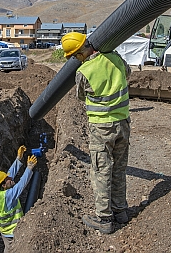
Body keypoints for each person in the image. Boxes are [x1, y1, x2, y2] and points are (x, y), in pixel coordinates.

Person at [60, 32, 131, 234]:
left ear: (79, 54)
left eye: (74, 56)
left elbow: (81, 96)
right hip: (123, 123)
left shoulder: (84, 72)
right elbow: (128, 73)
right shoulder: (115, 58)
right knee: (118, 168)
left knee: (101, 171)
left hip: (101, 128)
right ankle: (120, 211)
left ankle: (104, 218)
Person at [0, 145, 38, 252]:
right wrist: (29, 168)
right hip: (11, 233)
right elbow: (21, 184)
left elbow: (10, 173)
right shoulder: (7, 195)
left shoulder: (0, 190)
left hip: (5, 231)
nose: (10, 178)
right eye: (7, 179)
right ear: (3, 185)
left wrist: (19, 158)